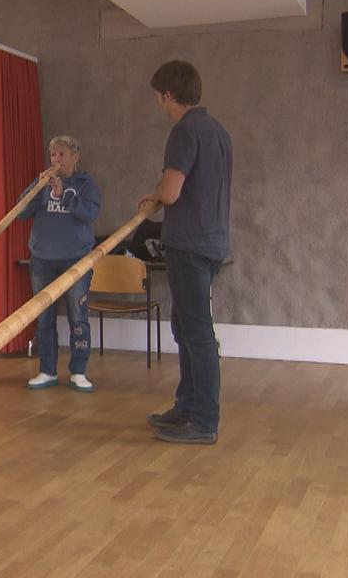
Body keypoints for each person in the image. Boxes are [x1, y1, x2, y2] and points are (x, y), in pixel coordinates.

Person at [139, 60, 232, 445]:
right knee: (186, 328)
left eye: (159, 98)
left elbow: (173, 189)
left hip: (190, 245)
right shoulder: (218, 131)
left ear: (168, 95)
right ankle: (186, 408)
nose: (160, 104)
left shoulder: (185, 131)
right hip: (210, 243)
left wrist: (157, 195)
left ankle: (204, 420)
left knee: (196, 333)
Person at [19, 136, 102, 392]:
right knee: (44, 319)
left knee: (78, 317)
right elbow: (21, 211)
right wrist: (39, 188)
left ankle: (79, 371)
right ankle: (47, 370)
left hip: (75, 259)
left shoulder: (86, 184)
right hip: (42, 260)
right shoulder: (42, 182)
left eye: (62, 154)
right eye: (53, 155)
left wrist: (62, 194)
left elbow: (90, 214)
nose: (56, 160)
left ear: (75, 156)